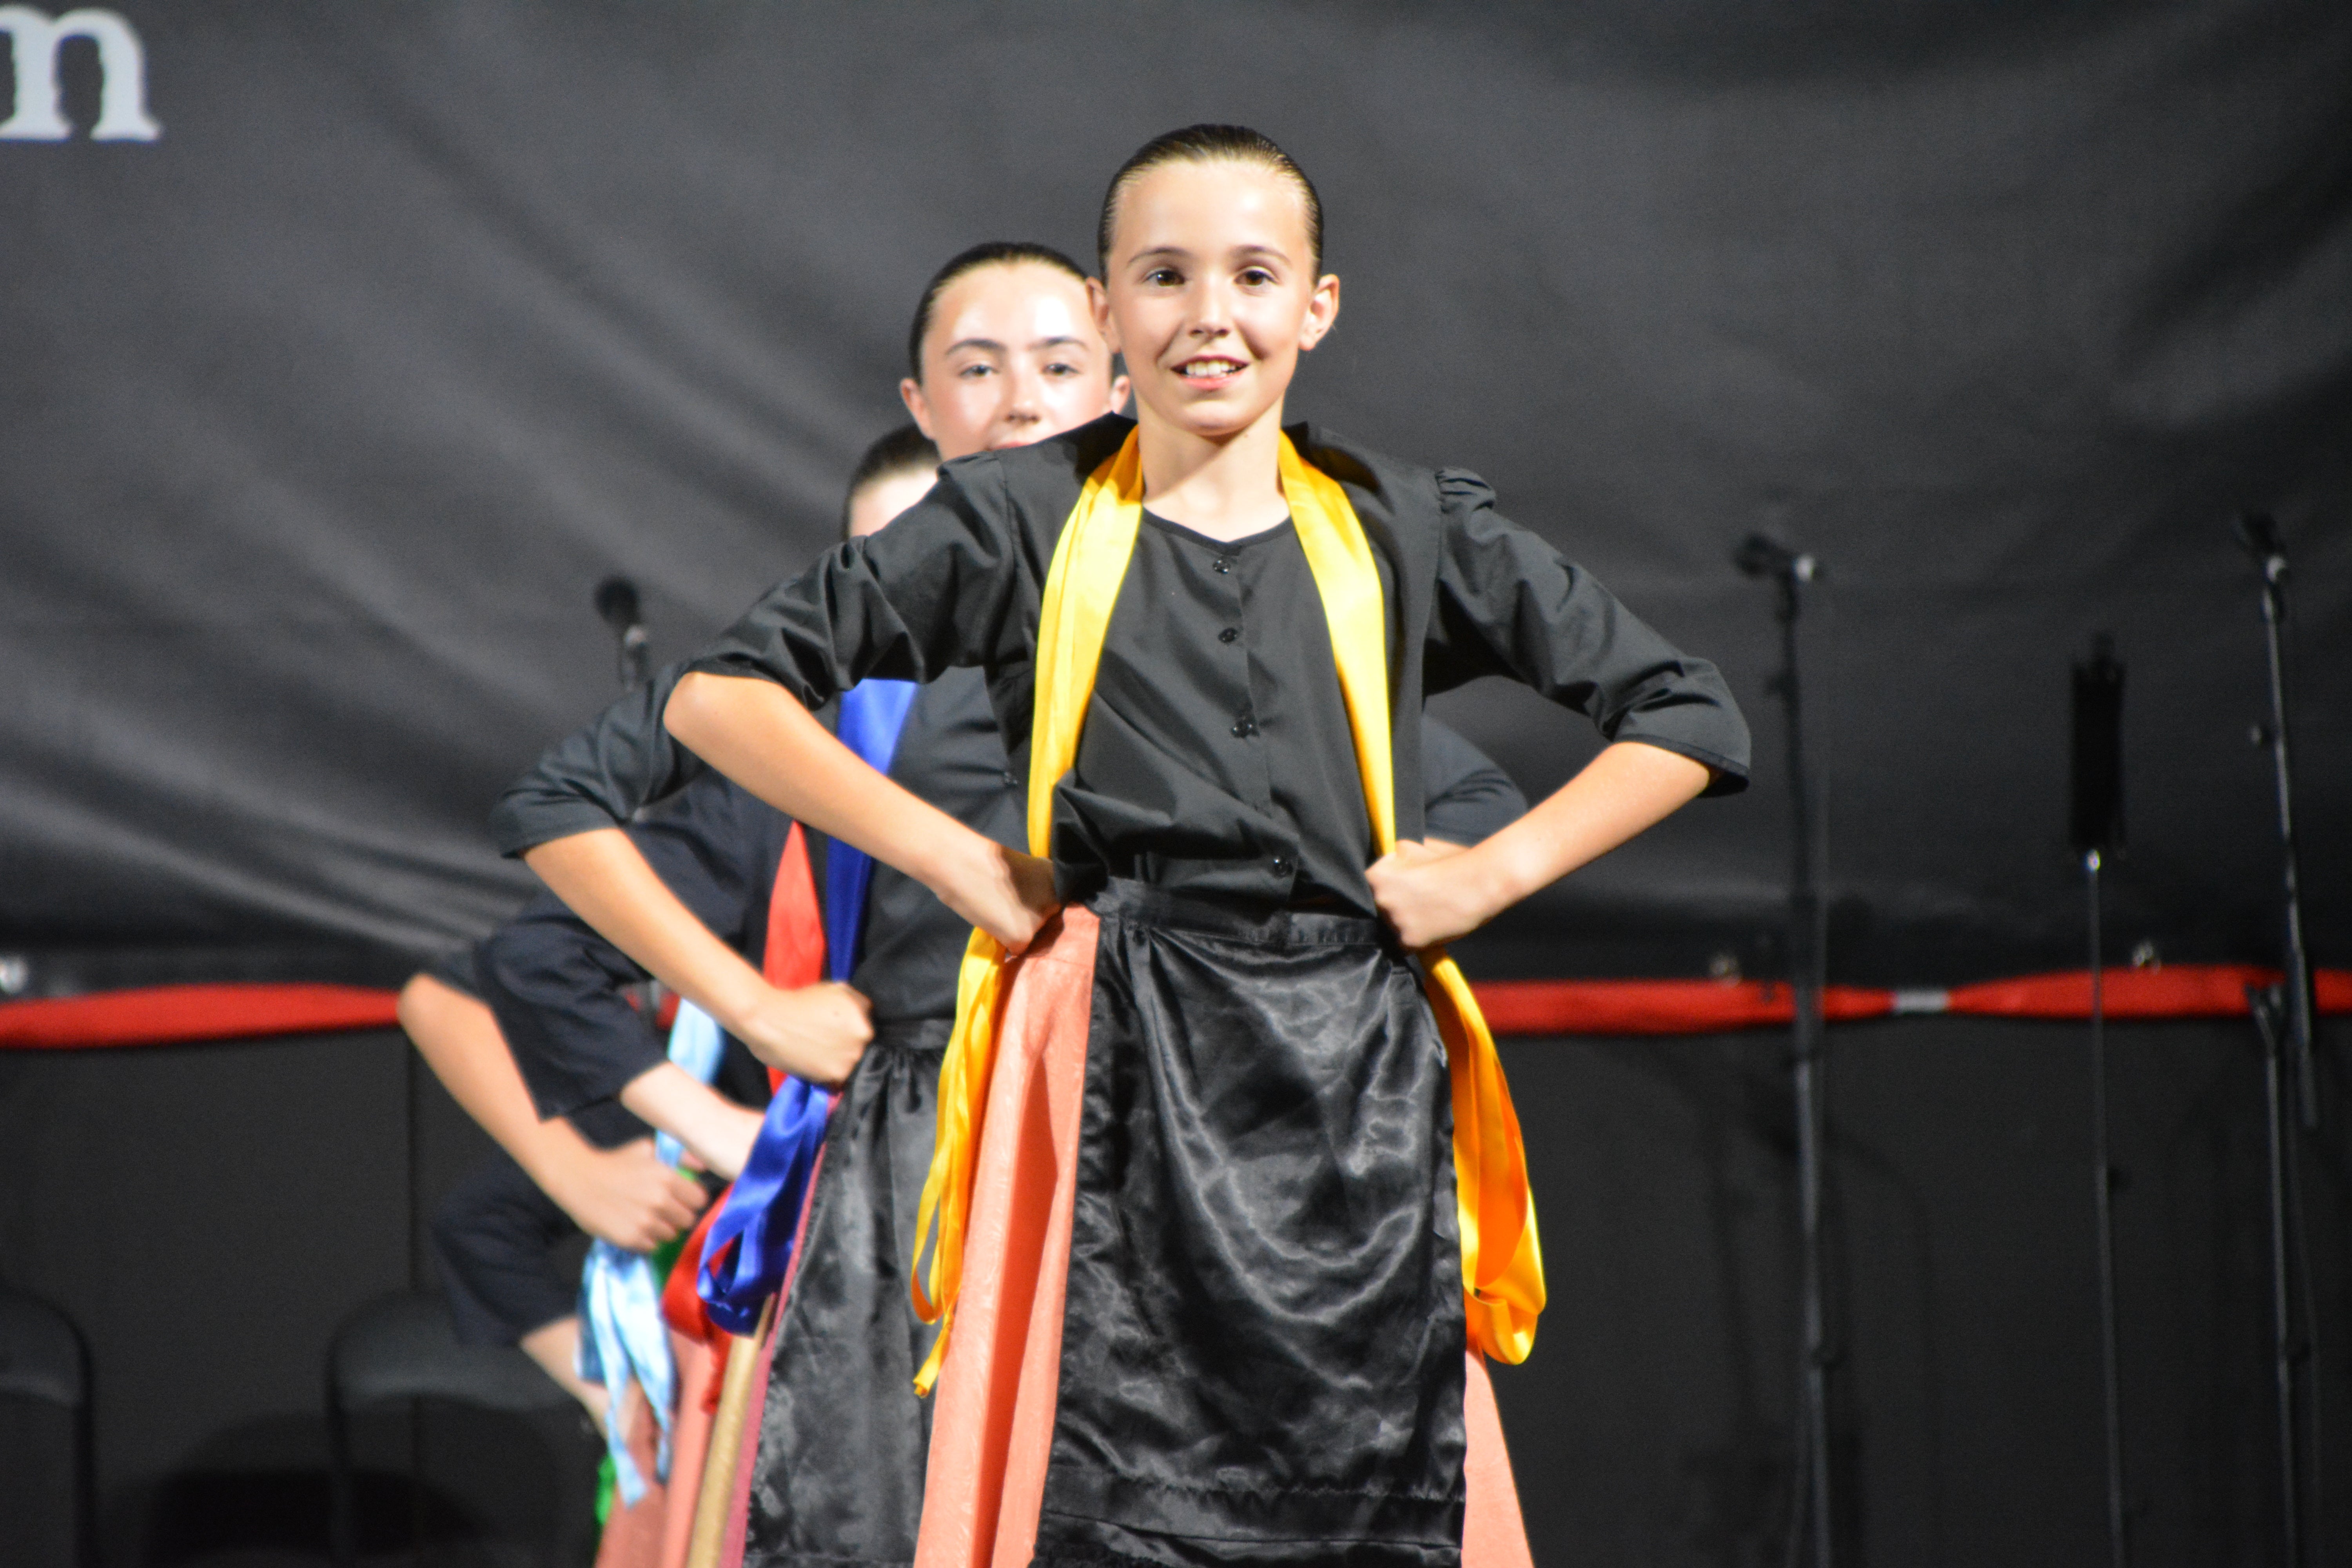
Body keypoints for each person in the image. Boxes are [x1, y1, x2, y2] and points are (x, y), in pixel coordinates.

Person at [587, 125, 1751, 1568]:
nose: (1212, 314)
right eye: (1166, 275)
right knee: (1099, 1488)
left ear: (1316, 305)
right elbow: (723, 696)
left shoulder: (1400, 524)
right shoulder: (1022, 515)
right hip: (1108, 1057)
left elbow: (1689, 713)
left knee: (1368, 1485)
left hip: (1346, 1080)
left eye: (1255, 275)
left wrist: (1492, 871)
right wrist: (955, 864)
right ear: (1110, 308)